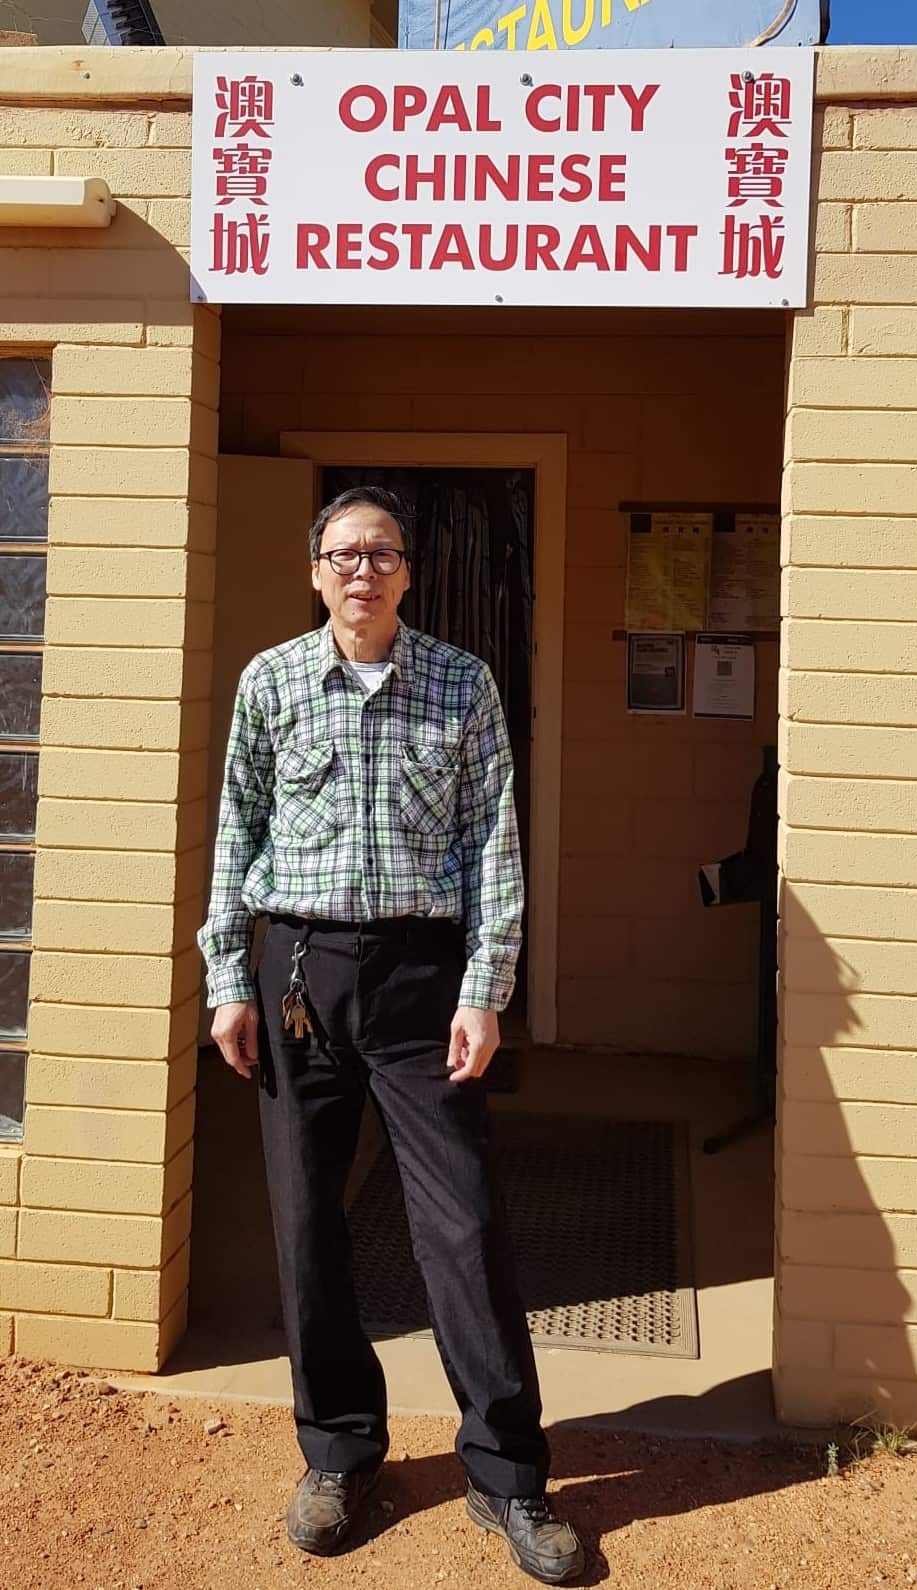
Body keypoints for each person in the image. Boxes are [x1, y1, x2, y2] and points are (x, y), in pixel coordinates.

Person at [198, 485, 584, 1586]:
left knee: (461, 1226)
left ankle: (507, 1472)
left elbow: (492, 842)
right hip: (299, 977)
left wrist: (485, 987)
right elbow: (237, 830)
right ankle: (339, 1452)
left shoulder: (462, 683)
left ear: (408, 571)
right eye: (340, 553)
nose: (361, 569)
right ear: (314, 572)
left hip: (424, 981)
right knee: (305, 1223)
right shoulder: (271, 682)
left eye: (380, 553)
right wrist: (229, 975)